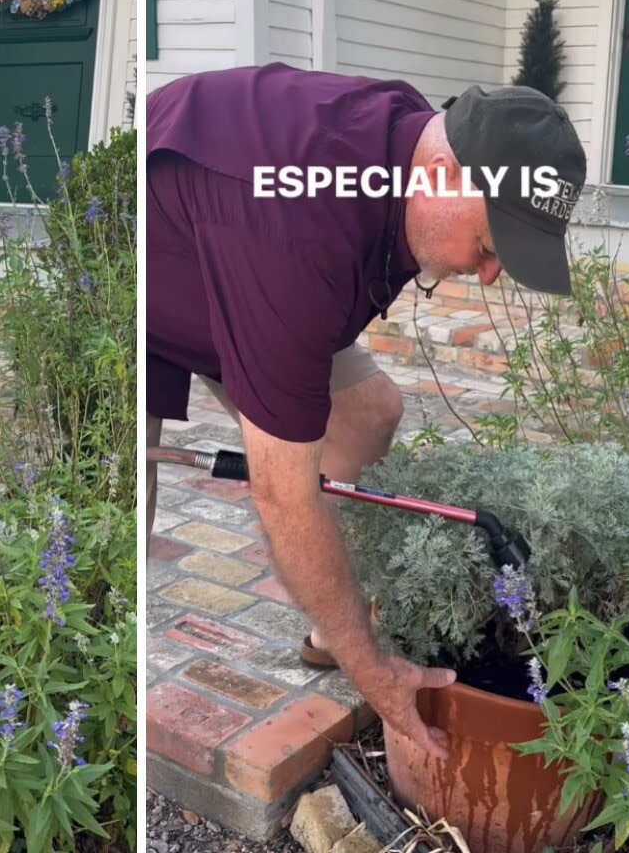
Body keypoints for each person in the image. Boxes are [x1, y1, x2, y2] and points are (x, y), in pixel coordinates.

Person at [145, 63, 585, 758]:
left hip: (233, 263)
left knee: (365, 413)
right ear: (441, 176)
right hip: (143, 269)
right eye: (495, 242)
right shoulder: (298, 239)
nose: (494, 272)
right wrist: (373, 672)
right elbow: (281, 495)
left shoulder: (404, 137)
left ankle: (329, 627)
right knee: (114, 530)